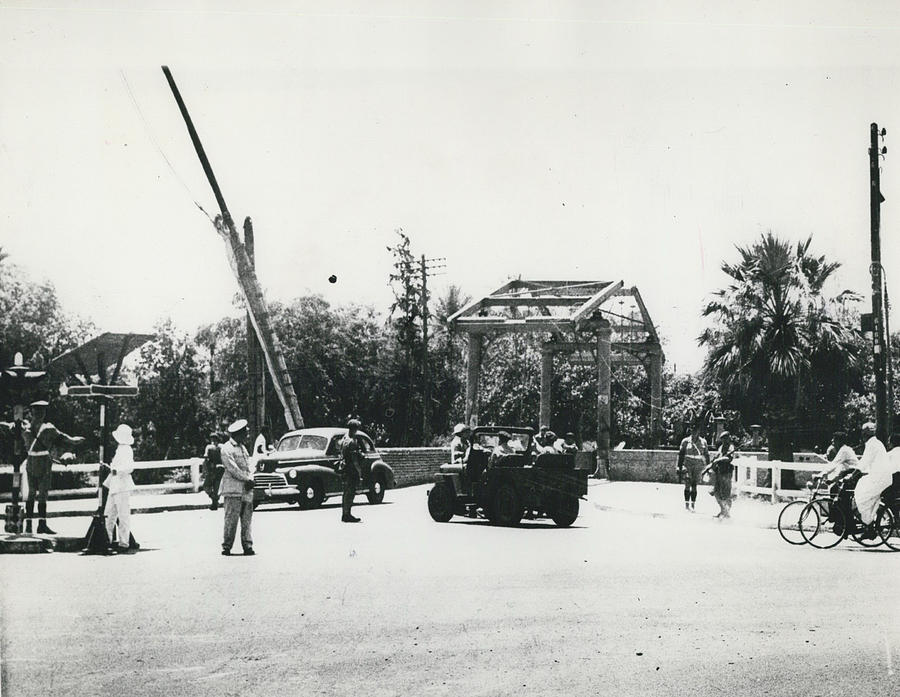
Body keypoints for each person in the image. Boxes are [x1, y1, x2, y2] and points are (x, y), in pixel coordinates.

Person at [22, 399, 84, 534]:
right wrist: (75, 441)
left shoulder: (25, 428)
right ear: (43, 413)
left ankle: (28, 525)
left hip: (30, 461)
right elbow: (64, 438)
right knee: (43, 494)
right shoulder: (48, 428)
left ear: (31, 413)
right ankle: (42, 524)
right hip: (43, 462)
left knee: (31, 493)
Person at [220, 419, 255, 556]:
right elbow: (232, 468)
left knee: (247, 520)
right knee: (231, 519)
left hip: (246, 489)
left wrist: (251, 477)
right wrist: (247, 478)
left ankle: (247, 545)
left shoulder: (242, 448)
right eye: (245, 432)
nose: (247, 434)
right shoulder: (226, 448)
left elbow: (249, 464)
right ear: (238, 433)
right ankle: (227, 546)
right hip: (233, 489)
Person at [853, 422, 895, 529]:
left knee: (860, 496)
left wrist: (852, 476)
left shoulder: (872, 444)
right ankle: (869, 523)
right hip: (880, 477)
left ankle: (869, 525)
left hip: (879, 478)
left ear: (864, 434)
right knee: (868, 496)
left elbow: (864, 463)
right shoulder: (876, 443)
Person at [103, 424, 136, 553]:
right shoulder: (120, 449)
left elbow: (129, 467)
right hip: (115, 485)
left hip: (122, 485)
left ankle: (124, 543)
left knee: (123, 516)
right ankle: (107, 540)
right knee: (109, 514)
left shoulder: (127, 449)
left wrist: (115, 470)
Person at [677, 419, 709, 512]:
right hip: (688, 464)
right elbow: (681, 454)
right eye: (693, 430)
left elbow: (706, 455)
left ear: (699, 431)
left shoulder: (703, 442)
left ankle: (693, 505)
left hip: (698, 465)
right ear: (691, 431)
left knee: (694, 485)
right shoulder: (685, 441)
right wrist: (679, 466)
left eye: (697, 430)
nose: (695, 432)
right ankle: (687, 505)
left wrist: (708, 467)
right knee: (687, 484)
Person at [704, 431, 736, 518]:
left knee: (726, 493)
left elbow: (729, 458)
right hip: (718, 472)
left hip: (726, 472)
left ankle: (726, 512)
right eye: (723, 439)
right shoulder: (721, 447)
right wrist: (710, 466)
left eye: (726, 438)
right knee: (716, 492)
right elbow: (716, 457)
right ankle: (723, 510)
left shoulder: (731, 447)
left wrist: (718, 460)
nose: (724, 440)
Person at [340, 419, 364, 523]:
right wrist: (359, 473)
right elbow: (354, 460)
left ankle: (345, 513)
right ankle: (347, 514)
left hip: (344, 468)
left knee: (346, 492)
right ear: (354, 429)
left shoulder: (344, 439)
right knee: (350, 492)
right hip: (351, 470)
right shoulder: (352, 442)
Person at [202, 431, 226, 511]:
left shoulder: (209, 447)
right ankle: (214, 502)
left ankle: (214, 500)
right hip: (221, 469)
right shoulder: (222, 446)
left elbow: (206, 457)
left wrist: (205, 469)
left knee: (206, 486)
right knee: (216, 487)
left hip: (212, 469)